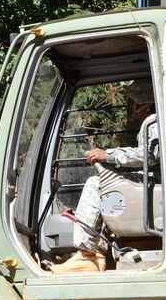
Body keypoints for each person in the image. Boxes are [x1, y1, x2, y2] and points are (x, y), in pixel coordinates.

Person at [51, 80, 158, 274]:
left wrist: (108, 154)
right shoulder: (152, 123)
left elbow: (149, 155)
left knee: (97, 184)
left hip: (156, 182)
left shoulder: (153, 122)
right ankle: (97, 254)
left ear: (144, 102)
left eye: (131, 101)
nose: (128, 107)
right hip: (154, 179)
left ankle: (88, 255)